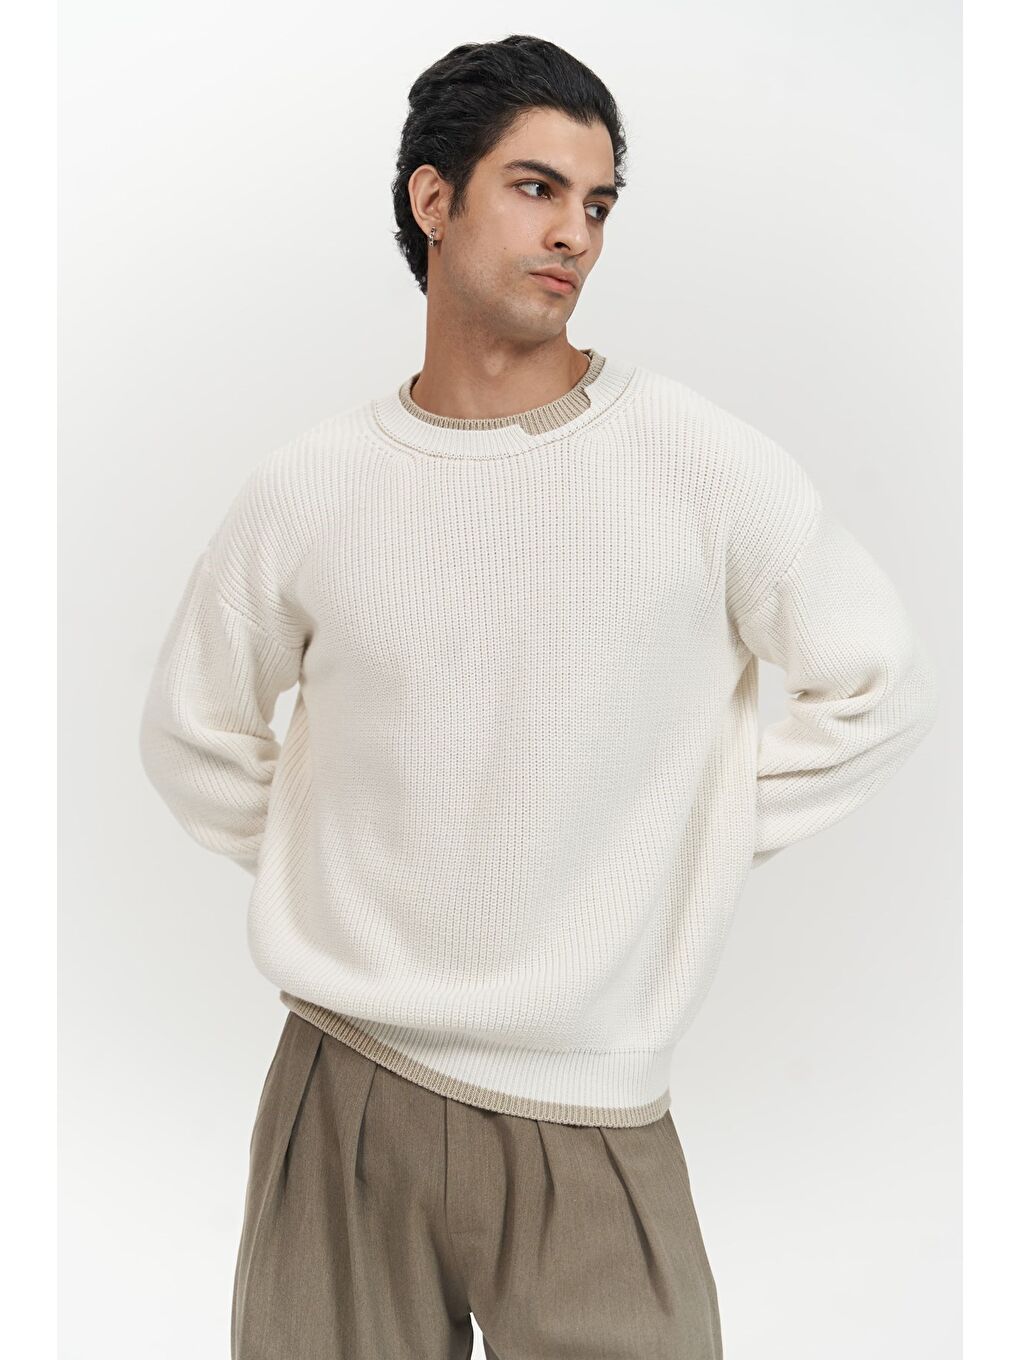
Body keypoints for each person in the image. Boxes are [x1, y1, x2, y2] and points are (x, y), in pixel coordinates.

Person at [138, 33, 939, 1360]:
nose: (576, 232)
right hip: (343, 1082)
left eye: (599, 202)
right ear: (433, 199)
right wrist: (337, 870)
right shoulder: (311, 487)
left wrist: (681, 838)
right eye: (536, 188)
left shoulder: (699, 464)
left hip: (593, 1107)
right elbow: (195, 733)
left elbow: (880, 686)